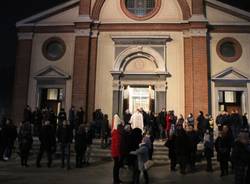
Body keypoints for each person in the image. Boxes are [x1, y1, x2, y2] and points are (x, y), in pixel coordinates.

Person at [111, 114, 122, 184]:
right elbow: (117, 144)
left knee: (117, 166)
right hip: (116, 153)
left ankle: (117, 179)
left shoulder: (115, 132)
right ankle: (116, 180)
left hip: (115, 152)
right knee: (116, 167)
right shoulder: (116, 133)